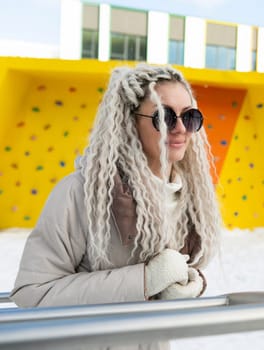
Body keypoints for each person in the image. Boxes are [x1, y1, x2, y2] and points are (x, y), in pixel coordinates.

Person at [10, 64, 222, 308]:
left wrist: (188, 283)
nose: (181, 128)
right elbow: (33, 294)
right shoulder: (80, 194)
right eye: (164, 117)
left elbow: (170, 275)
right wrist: (145, 280)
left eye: (189, 116)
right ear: (129, 122)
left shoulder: (190, 200)